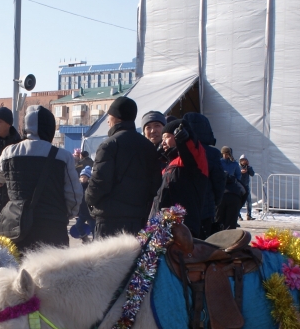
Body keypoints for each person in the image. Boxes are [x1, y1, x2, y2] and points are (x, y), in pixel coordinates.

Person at [0, 105, 81, 250]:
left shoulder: (9, 152)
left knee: (16, 270)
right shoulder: (63, 156)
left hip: (16, 227)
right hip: (52, 227)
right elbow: (74, 196)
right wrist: (65, 214)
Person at [86, 97, 162, 237]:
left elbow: (99, 183)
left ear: (116, 117)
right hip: (138, 221)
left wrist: (89, 200)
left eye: (109, 116)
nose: (108, 121)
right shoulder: (148, 147)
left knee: (106, 258)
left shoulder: (109, 145)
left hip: (109, 221)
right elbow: (155, 184)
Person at [154, 116, 209, 236]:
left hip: (184, 227)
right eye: (162, 138)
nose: (163, 142)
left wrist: (185, 140)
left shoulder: (191, 161)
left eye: (167, 137)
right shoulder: (169, 164)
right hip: (163, 225)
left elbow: (191, 152)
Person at [186, 113, 227, 237]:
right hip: (206, 205)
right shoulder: (213, 153)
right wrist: (216, 201)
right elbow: (219, 181)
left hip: (185, 206)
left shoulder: (181, 149)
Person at [217, 145, 246, 231]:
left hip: (231, 185)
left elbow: (238, 175)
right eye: (224, 154)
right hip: (222, 186)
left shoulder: (234, 164)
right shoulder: (219, 162)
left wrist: (233, 181)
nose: (225, 156)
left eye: (227, 154)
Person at [74, 165, 95, 241]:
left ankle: (95, 242)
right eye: (82, 177)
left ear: (89, 178)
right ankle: (85, 238)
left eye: (85, 177)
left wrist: (94, 212)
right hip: (82, 213)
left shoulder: (90, 188)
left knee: (93, 229)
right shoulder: (78, 187)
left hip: (91, 214)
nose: (83, 179)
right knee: (78, 225)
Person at [238, 155, 256, 220]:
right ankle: (238, 215)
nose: (244, 161)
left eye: (245, 160)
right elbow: (236, 173)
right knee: (239, 202)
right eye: (242, 160)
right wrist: (240, 172)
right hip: (239, 186)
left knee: (249, 201)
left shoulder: (248, 167)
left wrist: (248, 167)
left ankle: (249, 215)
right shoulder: (238, 166)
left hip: (246, 186)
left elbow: (252, 174)